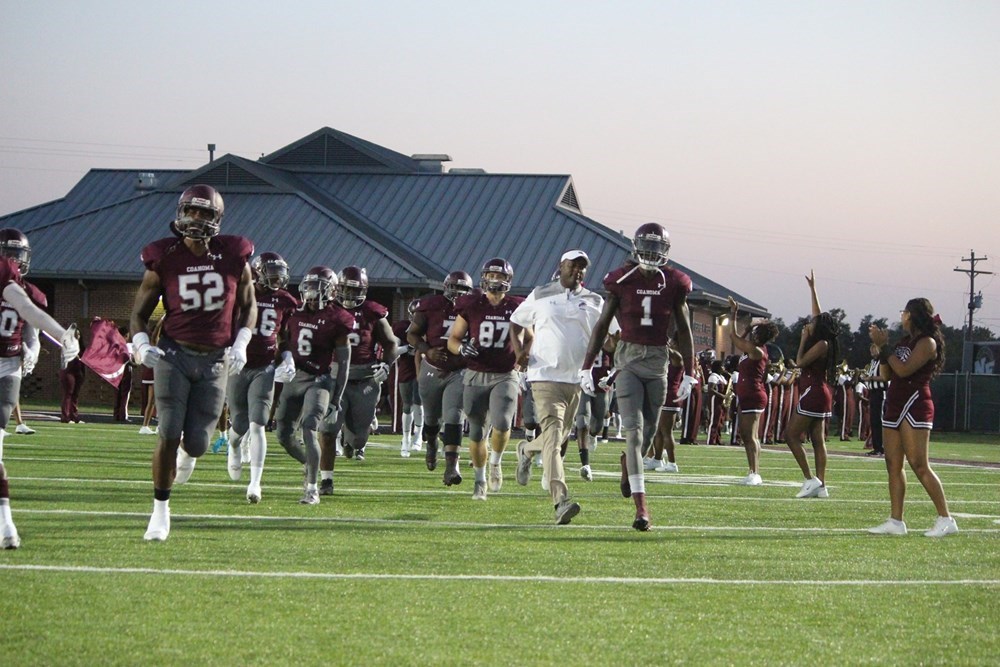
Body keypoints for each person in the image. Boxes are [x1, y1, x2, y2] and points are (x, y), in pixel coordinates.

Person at [130, 185, 257, 541]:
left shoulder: (235, 255)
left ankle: (189, 455)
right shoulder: (163, 257)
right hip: (174, 353)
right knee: (169, 428)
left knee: (199, 442)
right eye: (192, 211)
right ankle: (160, 511)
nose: (197, 219)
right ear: (180, 212)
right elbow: (138, 314)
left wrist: (243, 340)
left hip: (215, 359)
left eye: (205, 213)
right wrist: (140, 344)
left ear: (218, 219)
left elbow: (249, 306)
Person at [580, 223, 696, 531]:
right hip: (629, 359)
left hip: (658, 361)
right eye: (648, 246)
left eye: (658, 248)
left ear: (666, 252)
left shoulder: (675, 282)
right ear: (635, 246)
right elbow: (602, 324)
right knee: (633, 431)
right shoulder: (620, 279)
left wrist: (690, 372)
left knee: (649, 433)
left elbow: (684, 330)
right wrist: (587, 365)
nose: (652, 253)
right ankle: (642, 509)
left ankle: (626, 465)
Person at [510, 249, 605, 524]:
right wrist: (520, 352)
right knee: (553, 436)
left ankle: (526, 450)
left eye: (583, 267)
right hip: (544, 376)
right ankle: (560, 501)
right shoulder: (541, 294)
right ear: (561, 266)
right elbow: (516, 322)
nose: (578, 271)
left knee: (559, 438)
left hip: (576, 380)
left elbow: (613, 334)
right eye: (573, 265)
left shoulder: (594, 300)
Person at [0, 227, 81, 549]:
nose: (13, 261)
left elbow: (29, 313)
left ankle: (5, 522)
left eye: (17, 256)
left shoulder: (24, 289)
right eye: (8, 255)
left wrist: (59, 337)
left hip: (7, 368)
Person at [868, 299, 958, 537]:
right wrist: (880, 353)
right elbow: (888, 374)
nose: (901, 316)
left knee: (919, 464)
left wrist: (885, 347)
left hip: (915, 405)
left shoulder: (927, 343)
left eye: (904, 312)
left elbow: (905, 370)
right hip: (895, 403)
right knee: (893, 465)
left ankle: (946, 518)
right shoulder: (904, 342)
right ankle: (896, 521)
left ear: (913, 315)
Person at [273, 266, 353, 504]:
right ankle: (309, 464)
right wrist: (282, 358)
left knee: (309, 427)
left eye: (318, 287)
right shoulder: (293, 312)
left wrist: (337, 398)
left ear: (331, 290)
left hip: (319, 380)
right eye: (309, 286)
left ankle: (312, 489)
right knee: (283, 435)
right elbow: (281, 338)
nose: (311, 291)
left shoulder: (337, 318)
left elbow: (344, 363)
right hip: (293, 377)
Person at [447, 258, 525, 501]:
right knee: (477, 432)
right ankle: (480, 481)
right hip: (475, 373)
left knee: (502, 422)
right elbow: (453, 339)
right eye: (490, 275)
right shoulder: (471, 304)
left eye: (499, 276)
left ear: (508, 281)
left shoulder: (518, 307)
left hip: (504, 373)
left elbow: (531, 336)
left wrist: (524, 355)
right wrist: (460, 349)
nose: (494, 280)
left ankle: (495, 462)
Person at [225, 252, 298, 503]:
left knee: (258, 424)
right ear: (257, 273)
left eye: (280, 273)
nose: (277, 279)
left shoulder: (286, 301)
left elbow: (285, 337)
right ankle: (234, 445)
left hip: (265, 367)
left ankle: (255, 484)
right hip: (238, 365)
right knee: (240, 424)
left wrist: (288, 357)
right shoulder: (241, 293)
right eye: (272, 273)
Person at [319, 266, 397, 490]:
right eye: (346, 290)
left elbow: (391, 344)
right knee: (327, 429)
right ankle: (326, 480)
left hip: (365, 379)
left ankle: (351, 441)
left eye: (356, 291)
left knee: (359, 438)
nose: (350, 296)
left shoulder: (372, 312)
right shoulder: (327, 310)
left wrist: (387, 364)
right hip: (334, 378)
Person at [406, 271, 473, 478]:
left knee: (454, 415)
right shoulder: (431, 305)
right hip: (432, 369)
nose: (458, 293)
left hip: (459, 371)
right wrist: (427, 349)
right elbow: (412, 334)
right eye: (455, 287)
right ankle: (432, 442)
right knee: (432, 418)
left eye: (463, 289)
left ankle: (452, 467)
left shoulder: (473, 307)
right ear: (446, 287)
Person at [784, 270, 839, 499]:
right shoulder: (825, 339)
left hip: (813, 391)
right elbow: (818, 313)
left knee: (790, 435)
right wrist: (813, 289)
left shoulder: (821, 344)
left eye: (813, 323)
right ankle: (822, 486)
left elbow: (800, 362)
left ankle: (810, 479)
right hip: (818, 391)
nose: (809, 323)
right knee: (817, 439)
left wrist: (803, 339)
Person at [726, 297, 779, 485]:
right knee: (748, 435)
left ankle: (755, 472)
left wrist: (734, 313)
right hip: (749, 394)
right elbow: (740, 340)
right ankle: (752, 471)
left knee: (750, 436)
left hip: (753, 395)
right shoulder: (756, 349)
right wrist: (749, 327)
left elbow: (733, 337)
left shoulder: (756, 350)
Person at [392, 300, 422, 457]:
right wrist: (406, 348)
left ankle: (418, 435)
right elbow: (392, 350)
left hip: (422, 367)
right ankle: (405, 438)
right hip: (406, 368)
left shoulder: (428, 326)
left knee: (419, 402)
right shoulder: (401, 327)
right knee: (407, 404)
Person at [649, 345, 684, 472]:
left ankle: (672, 462)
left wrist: (659, 342)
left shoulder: (678, 358)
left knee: (666, 432)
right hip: (663, 396)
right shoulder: (667, 359)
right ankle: (657, 460)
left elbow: (667, 351)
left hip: (670, 396)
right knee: (658, 431)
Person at [138, 318, 163, 435]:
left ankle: (159, 425)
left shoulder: (160, 344)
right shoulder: (154, 342)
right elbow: (154, 336)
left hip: (156, 373)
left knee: (158, 401)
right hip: (154, 374)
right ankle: (145, 425)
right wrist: (161, 321)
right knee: (152, 401)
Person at [861, 344, 887, 457]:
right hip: (873, 393)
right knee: (874, 421)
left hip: (881, 392)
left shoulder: (883, 361)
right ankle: (877, 447)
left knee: (879, 421)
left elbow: (885, 377)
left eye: (874, 349)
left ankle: (882, 448)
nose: (872, 351)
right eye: (870, 349)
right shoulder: (873, 362)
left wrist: (870, 378)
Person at [59, 328, 86, 423]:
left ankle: (74, 416)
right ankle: (65, 416)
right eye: (75, 334)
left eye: (78, 334)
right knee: (68, 393)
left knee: (75, 395)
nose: (77, 336)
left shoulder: (81, 346)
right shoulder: (67, 345)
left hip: (78, 372)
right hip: (68, 371)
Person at [113, 326, 133, 422]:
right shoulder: (125, 345)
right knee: (125, 394)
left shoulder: (114, 345)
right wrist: (134, 363)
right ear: (125, 336)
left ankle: (116, 414)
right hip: (125, 371)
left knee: (117, 394)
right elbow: (126, 359)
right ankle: (122, 416)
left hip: (116, 371)